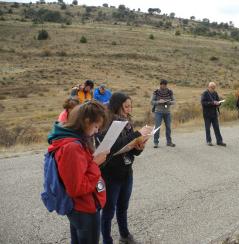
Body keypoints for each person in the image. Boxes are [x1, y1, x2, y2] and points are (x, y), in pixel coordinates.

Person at [47, 100, 110, 244]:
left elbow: (80, 169)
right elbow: (77, 188)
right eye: (96, 126)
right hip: (84, 208)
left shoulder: (76, 139)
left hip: (82, 206)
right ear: (86, 121)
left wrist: (91, 161)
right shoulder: (72, 147)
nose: (96, 131)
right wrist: (95, 163)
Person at [96, 92, 152, 244]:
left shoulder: (127, 122)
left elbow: (132, 150)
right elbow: (112, 148)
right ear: (117, 106)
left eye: (130, 106)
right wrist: (136, 134)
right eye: (126, 106)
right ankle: (107, 240)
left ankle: (125, 235)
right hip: (111, 175)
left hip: (127, 172)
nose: (129, 110)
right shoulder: (106, 124)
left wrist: (139, 146)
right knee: (108, 212)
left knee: (123, 208)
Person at [151, 79, 176, 148]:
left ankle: (169, 142)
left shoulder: (170, 92)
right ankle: (156, 142)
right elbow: (152, 102)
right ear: (160, 85)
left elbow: (174, 101)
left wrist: (169, 102)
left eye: (165, 85)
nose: (164, 86)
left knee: (168, 127)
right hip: (158, 112)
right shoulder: (156, 92)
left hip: (167, 112)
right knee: (157, 127)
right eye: (162, 85)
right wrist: (159, 102)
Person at [201, 82, 226, 147]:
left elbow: (218, 101)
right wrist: (212, 103)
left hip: (214, 113)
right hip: (207, 114)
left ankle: (219, 141)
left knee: (217, 128)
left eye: (214, 88)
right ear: (208, 87)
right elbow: (203, 103)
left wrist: (219, 103)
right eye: (212, 87)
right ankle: (209, 141)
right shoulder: (205, 93)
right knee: (207, 128)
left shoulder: (215, 93)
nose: (213, 89)